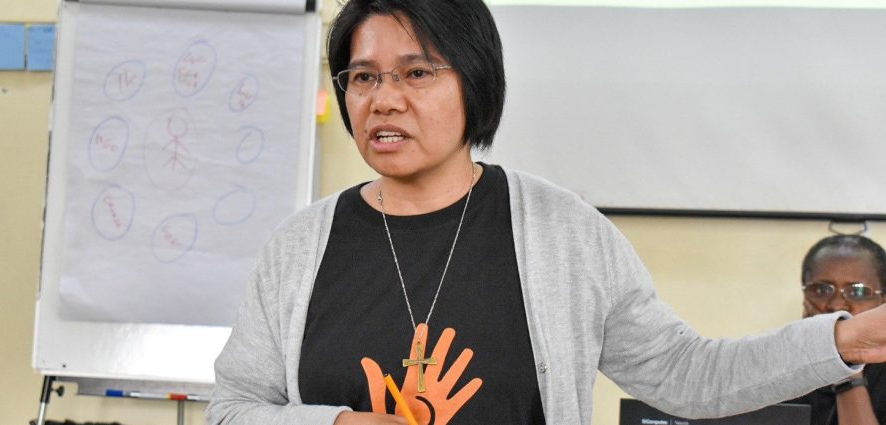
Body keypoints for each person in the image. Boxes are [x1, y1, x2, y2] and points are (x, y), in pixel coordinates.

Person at [206, 1, 886, 424]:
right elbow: (232, 409)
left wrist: (844, 341)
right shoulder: (299, 246)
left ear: (475, 82)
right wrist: (335, 424)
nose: (384, 99)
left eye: (416, 73)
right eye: (363, 77)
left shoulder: (566, 234)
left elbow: (687, 373)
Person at [788, 235, 886, 425]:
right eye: (821, 290)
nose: (836, 305)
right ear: (805, 297)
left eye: (857, 291)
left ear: (883, 301)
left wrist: (846, 369)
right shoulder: (782, 366)